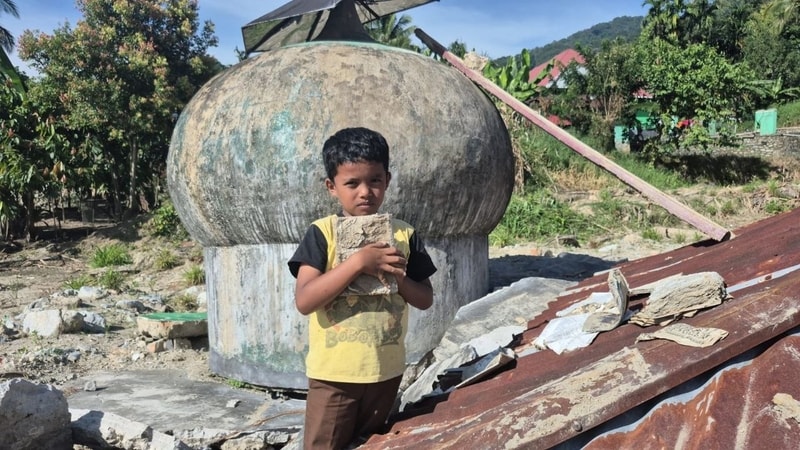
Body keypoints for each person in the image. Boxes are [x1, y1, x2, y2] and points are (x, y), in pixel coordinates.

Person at [288, 127, 437, 450]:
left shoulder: (404, 235)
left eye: (375, 181)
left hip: (386, 373)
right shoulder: (322, 233)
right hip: (335, 377)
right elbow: (305, 299)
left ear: (388, 180)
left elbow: (425, 298)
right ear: (332, 187)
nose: (365, 192)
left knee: (370, 445)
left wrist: (397, 279)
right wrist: (357, 263)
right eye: (352, 183)